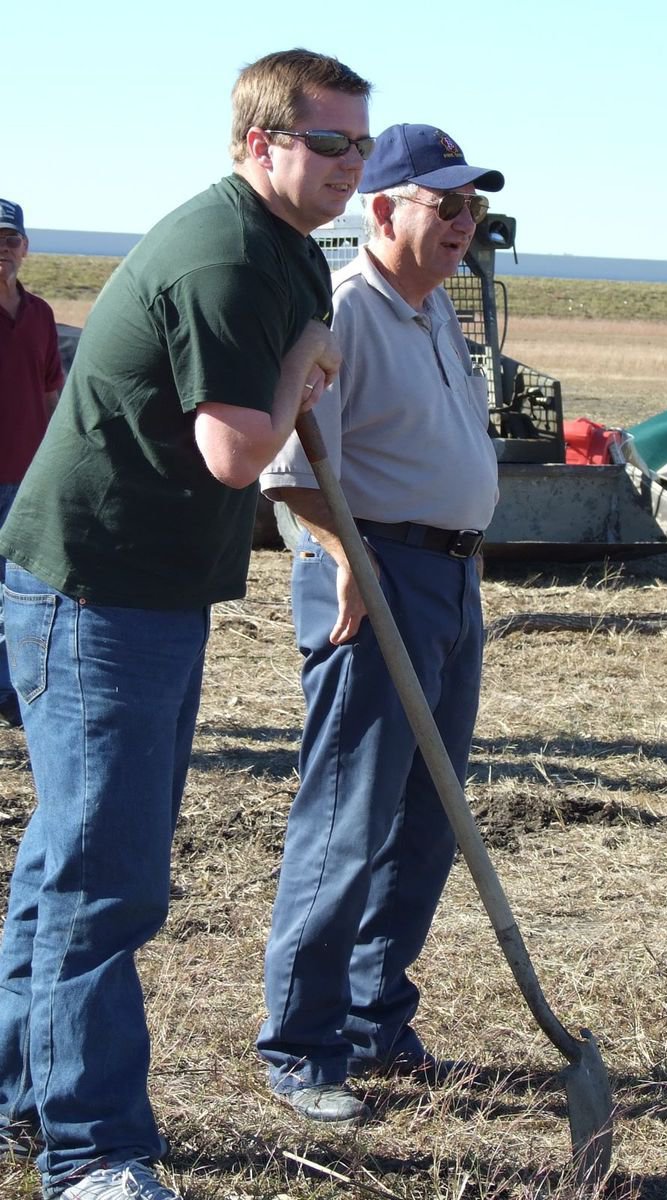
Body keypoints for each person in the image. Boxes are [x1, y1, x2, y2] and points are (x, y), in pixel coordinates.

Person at [0, 49, 372, 1200]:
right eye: (328, 144)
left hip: (148, 588)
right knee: (103, 883)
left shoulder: (287, 249)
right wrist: (303, 366)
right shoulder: (225, 256)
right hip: (96, 589)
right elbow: (230, 453)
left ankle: (25, 1096)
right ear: (260, 142)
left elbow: (270, 402)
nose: (348, 168)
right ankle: (91, 1151)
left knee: (70, 864)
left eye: (359, 145)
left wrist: (296, 377)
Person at [257, 123, 504, 1125]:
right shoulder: (344, 311)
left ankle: (373, 1018)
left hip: (449, 576)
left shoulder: (433, 308)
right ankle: (302, 1046)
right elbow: (288, 470)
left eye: (473, 207)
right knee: (349, 816)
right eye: (446, 205)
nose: (464, 223)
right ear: (385, 208)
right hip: (374, 573)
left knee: (426, 816)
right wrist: (348, 564)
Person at [0, 199, 63, 729]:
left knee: (17, 587)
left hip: (25, 475)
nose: (2, 250)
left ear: (24, 246)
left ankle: (9, 690)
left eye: (9, 239)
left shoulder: (40, 313)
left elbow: (49, 392)